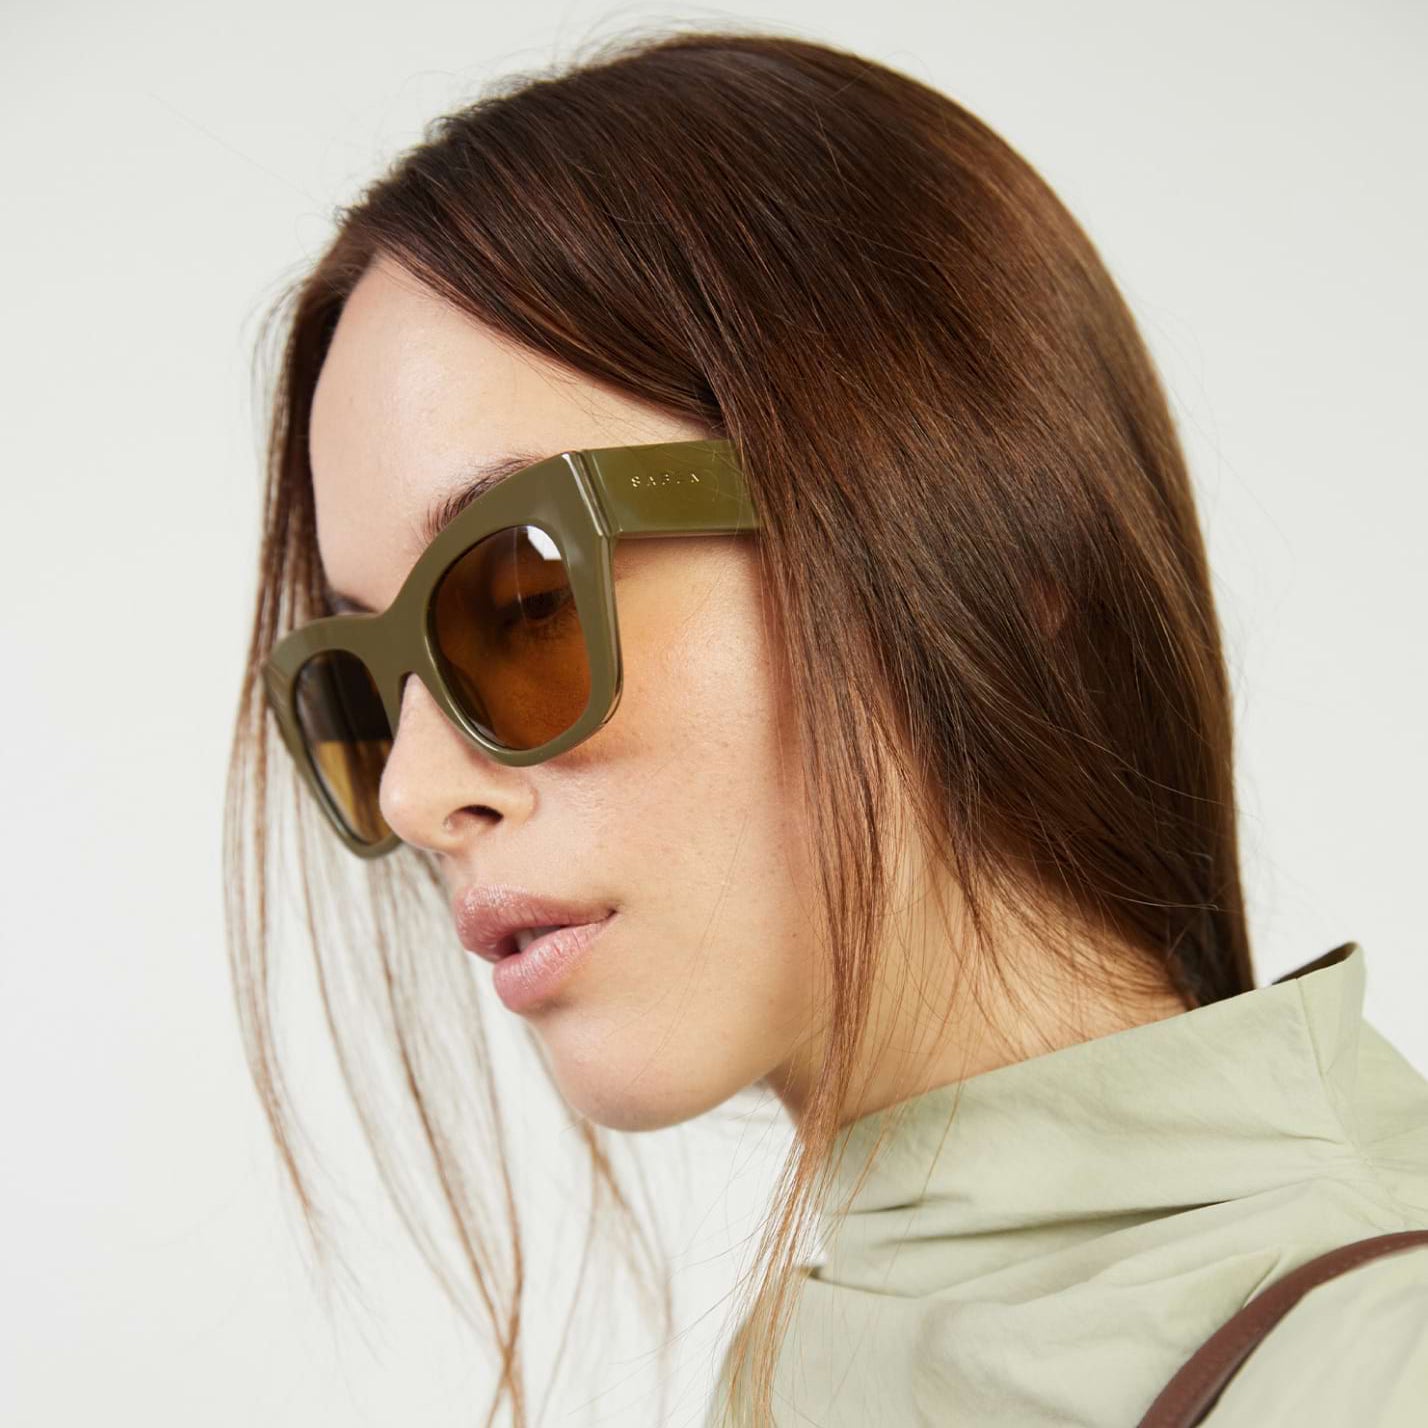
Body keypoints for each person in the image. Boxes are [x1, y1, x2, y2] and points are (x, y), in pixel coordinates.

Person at [224, 26, 1428, 1427]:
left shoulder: (1372, 1367)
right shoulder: (815, 1351)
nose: (415, 793)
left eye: (526, 599)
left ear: (979, 542)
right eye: (362, 686)